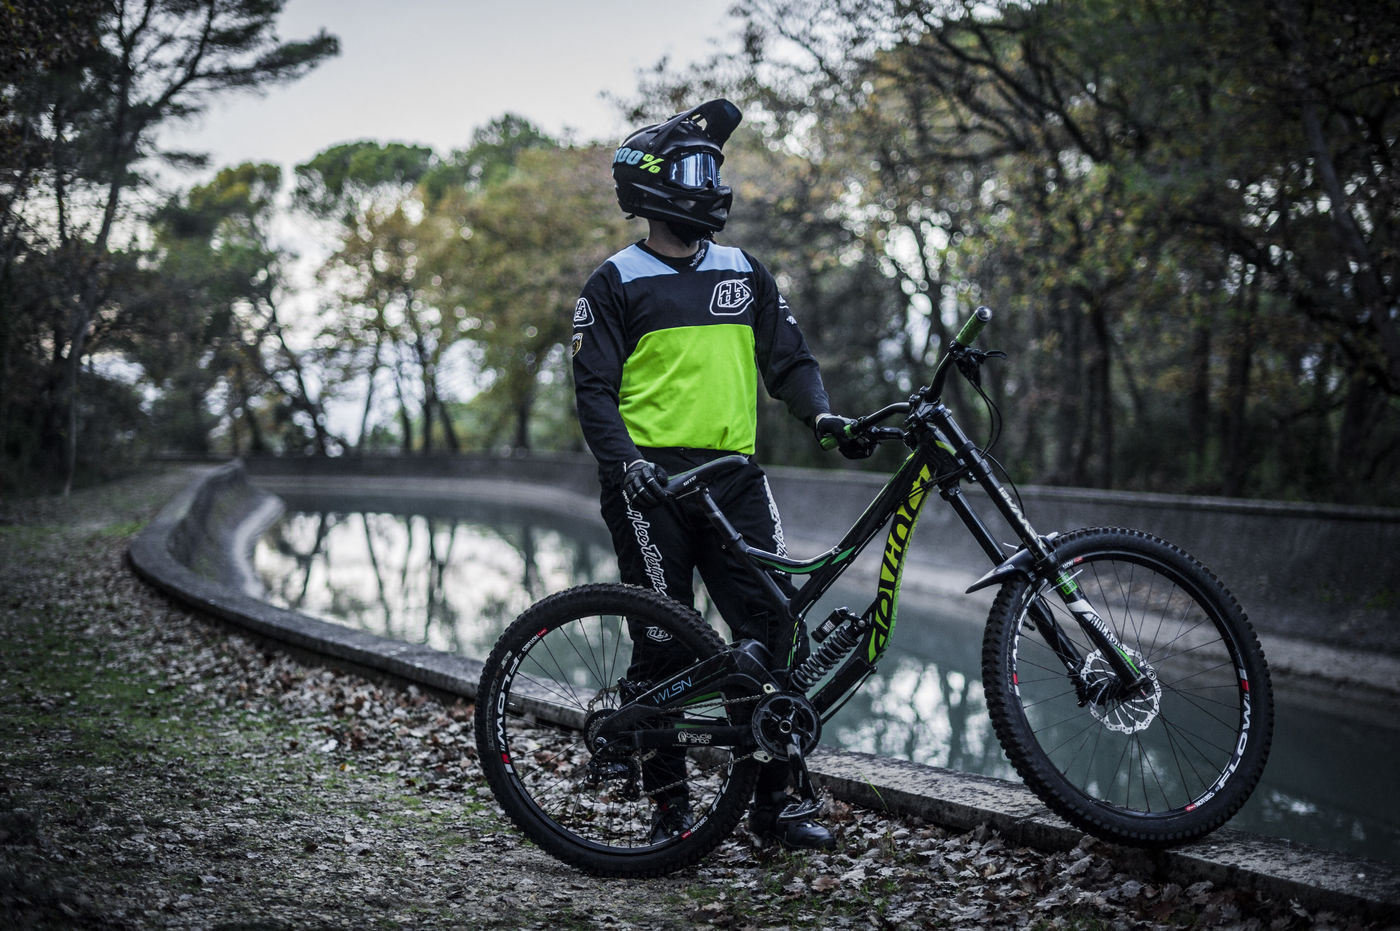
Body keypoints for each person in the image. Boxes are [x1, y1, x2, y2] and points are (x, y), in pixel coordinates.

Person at [571, 98, 865, 851]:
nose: (712, 186)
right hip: (650, 485)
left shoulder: (744, 271)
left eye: (713, 171)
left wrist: (823, 418)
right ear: (653, 187)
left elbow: (790, 362)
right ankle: (671, 808)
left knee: (774, 631)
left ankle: (777, 804)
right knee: (665, 643)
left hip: (734, 480)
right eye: (697, 171)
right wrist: (627, 465)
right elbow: (594, 392)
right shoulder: (615, 281)